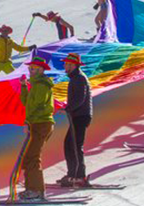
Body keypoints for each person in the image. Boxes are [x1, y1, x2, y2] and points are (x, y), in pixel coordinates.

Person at [17, 56, 55, 201]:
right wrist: (24, 86)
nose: (30, 70)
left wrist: (28, 121)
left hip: (41, 124)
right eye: (29, 68)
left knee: (32, 157)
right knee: (28, 157)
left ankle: (37, 191)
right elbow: (26, 102)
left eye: (32, 68)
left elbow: (39, 105)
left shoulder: (42, 85)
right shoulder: (36, 85)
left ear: (40, 70)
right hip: (36, 124)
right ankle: (31, 189)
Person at [56, 53, 92, 188]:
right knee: (70, 145)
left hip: (81, 116)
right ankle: (72, 174)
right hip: (77, 115)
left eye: (69, 65)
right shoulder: (75, 78)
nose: (66, 66)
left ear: (76, 65)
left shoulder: (79, 78)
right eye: (66, 64)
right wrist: (67, 107)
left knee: (75, 147)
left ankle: (78, 176)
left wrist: (68, 107)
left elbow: (80, 99)